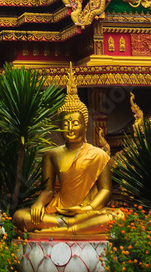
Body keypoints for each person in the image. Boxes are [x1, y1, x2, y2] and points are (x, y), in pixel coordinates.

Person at [13, 65, 113, 239]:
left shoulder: (99, 154)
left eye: (75, 123)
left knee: (115, 217)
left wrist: (89, 209)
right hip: (58, 212)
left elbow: (105, 190)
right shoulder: (52, 154)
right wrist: (38, 204)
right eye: (65, 124)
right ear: (60, 127)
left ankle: (68, 227)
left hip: (87, 211)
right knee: (20, 216)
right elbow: (48, 190)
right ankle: (68, 226)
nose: (70, 128)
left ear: (84, 125)